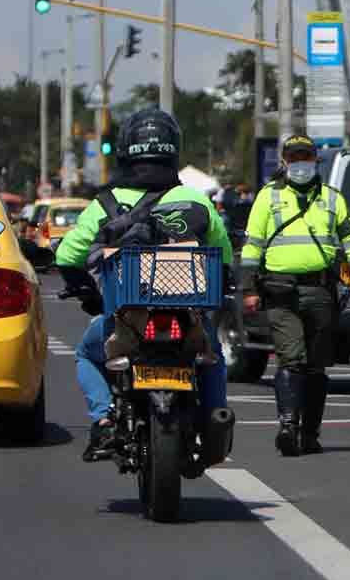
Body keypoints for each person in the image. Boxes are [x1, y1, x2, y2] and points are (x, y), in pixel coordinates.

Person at [55, 108, 234, 462]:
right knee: (211, 357)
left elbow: (66, 257)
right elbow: (223, 257)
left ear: (124, 149)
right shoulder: (198, 201)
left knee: (87, 353)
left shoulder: (104, 205)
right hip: (189, 315)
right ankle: (216, 416)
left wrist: (85, 290)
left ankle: (104, 419)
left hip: (126, 317)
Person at [240, 134, 350, 457]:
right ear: (284, 162)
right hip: (280, 291)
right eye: (294, 158)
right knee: (291, 357)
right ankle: (287, 426)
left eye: (305, 158)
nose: (300, 164)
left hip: (320, 291)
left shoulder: (331, 198)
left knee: (316, 366)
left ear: (315, 161)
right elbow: (252, 246)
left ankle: (310, 433)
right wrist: (249, 288)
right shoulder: (267, 198)